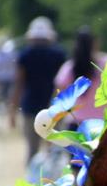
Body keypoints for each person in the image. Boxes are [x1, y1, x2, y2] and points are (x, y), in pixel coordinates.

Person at [9, 17, 66, 163]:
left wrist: (12, 111)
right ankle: (52, 182)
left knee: (32, 150)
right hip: (54, 107)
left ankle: (32, 182)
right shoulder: (59, 55)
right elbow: (63, 83)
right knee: (53, 150)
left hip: (30, 107)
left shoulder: (25, 55)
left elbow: (19, 84)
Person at [54, 26, 107, 125]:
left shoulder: (69, 67)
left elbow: (59, 97)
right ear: (95, 43)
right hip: (103, 123)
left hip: (76, 123)